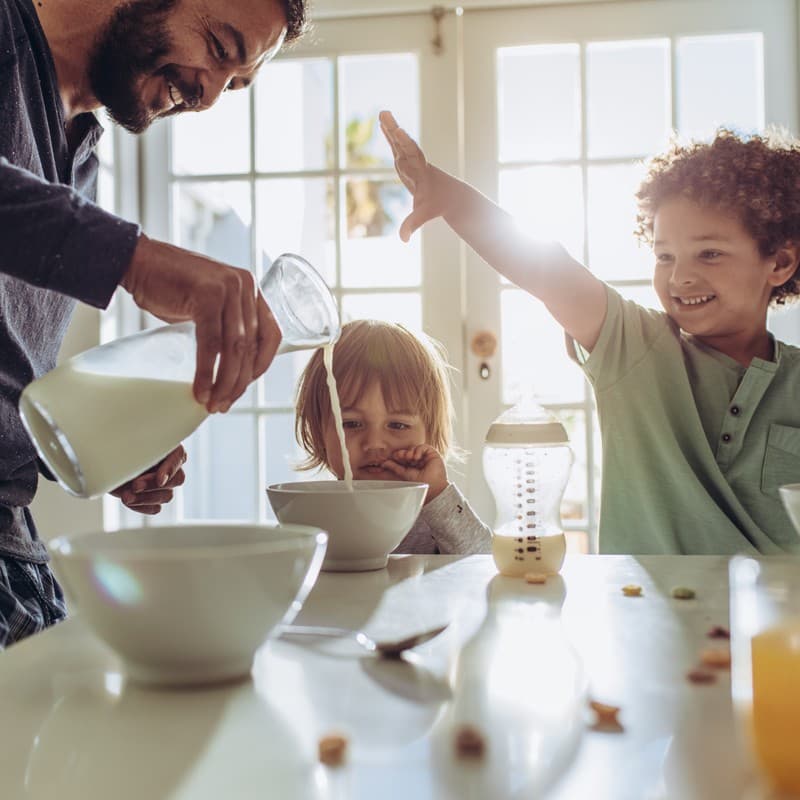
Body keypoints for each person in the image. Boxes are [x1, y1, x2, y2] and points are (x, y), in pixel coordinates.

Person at [0, 0, 307, 646]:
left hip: (18, 561)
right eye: (220, 48)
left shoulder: (79, 152)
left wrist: (102, 444)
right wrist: (134, 260)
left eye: (238, 83)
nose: (209, 98)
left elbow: (13, 379)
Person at [380, 110, 800, 555]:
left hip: (777, 616)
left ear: (779, 263)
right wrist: (450, 198)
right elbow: (547, 268)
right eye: (664, 257)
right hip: (645, 616)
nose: (681, 278)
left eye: (709, 254)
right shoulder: (636, 348)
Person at [294, 319, 491, 554]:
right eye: (352, 423)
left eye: (397, 425)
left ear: (430, 432)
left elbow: (482, 561)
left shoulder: (434, 513)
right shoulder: (309, 512)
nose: (374, 444)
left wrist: (438, 495)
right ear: (318, 432)